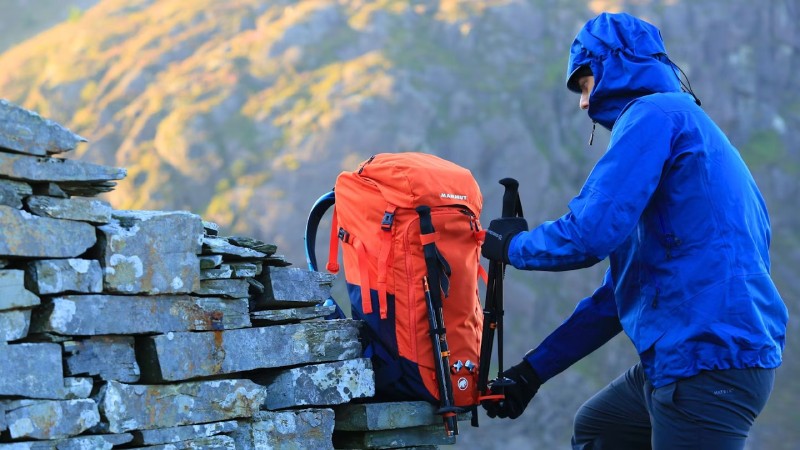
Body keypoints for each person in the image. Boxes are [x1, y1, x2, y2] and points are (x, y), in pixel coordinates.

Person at [480, 12, 788, 450]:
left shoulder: (653, 115)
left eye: (585, 85)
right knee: (600, 430)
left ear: (614, 66)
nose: (583, 104)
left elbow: (588, 235)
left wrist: (511, 247)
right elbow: (617, 297)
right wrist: (532, 372)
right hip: (694, 355)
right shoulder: (684, 124)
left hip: (709, 358)